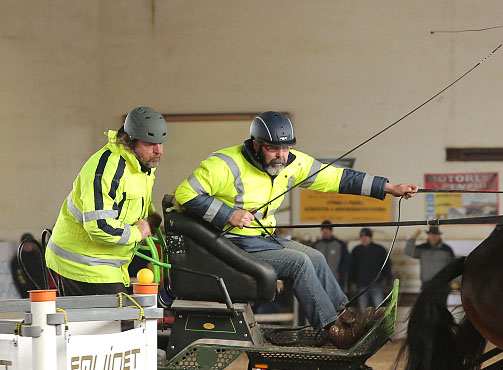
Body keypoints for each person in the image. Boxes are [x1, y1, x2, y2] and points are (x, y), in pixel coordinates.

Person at [174, 111, 417, 348]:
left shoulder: (293, 162)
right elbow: (185, 193)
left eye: (286, 148)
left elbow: (338, 178)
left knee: (316, 256)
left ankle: (345, 317)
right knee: (298, 262)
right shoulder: (225, 164)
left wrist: (389, 187)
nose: (281, 156)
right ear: (256, 145)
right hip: (230, 243)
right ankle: (334, 332)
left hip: (262, 238)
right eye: (273, 149)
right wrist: (229, 214)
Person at [46, 107, 166, 295]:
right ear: (132, 142)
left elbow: (133, 202)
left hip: (108, 262)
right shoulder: (107, 169)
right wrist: (137, 233)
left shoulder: (141, 167)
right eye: (150, 144)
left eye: (160, 143)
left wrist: (154, 220)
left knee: (125, 319)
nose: (159, 150)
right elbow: (99, 226)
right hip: (83, 263)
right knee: (121, 321)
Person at [349, 228, 391, 312]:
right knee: (363, 310)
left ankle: (380, 324)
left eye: (366, 236)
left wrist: (387, 279)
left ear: (370, 237)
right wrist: (351, 282)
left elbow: (387, 265)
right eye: (362, 236)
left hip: (376, 284)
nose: (364, 238)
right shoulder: (356, 250)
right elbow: (352, 267)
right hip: (361, 285)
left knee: (379, 309)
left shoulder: (379, 250)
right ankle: (364, 325)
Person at [312, 220, 350, 286]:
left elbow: (346, 261)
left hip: (336, 279)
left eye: (327, 229)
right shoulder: (317, 245)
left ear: (331, 230)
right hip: (320, 279)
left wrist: (339, 272)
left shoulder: (340, 244)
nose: (325, 231)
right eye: (323, 229)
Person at [11, 233, 46, 297]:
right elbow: (19, 277)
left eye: (30, 243)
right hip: (27, 292)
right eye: (26, 243)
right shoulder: (18, 259)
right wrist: (28, 289)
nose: (28, 245)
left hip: (42, 290)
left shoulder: (38, 256)